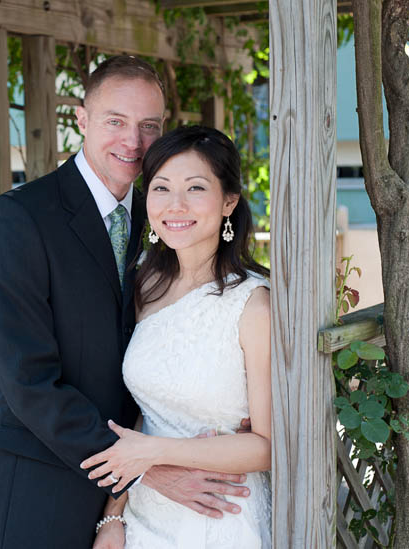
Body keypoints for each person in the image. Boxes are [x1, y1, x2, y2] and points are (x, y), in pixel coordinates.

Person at [0, 57, 250, 549]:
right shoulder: (19, 219)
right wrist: (149, 470)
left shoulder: (164, 214)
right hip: (45, 489)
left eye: (148, 126)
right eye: (115, 121)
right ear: (81, 119)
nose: (133, 142)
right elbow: (28, 382)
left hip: (147, 515)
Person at [81, 125, 272, 548]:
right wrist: (113, 516)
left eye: (195, 188)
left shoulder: (254, 305)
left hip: (218, 515)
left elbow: (265, 447)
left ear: (229, 201)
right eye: (161, 188)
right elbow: (140, 410)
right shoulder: (145, 285)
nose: (176, 205)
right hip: (144, 513)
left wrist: (153, 453)